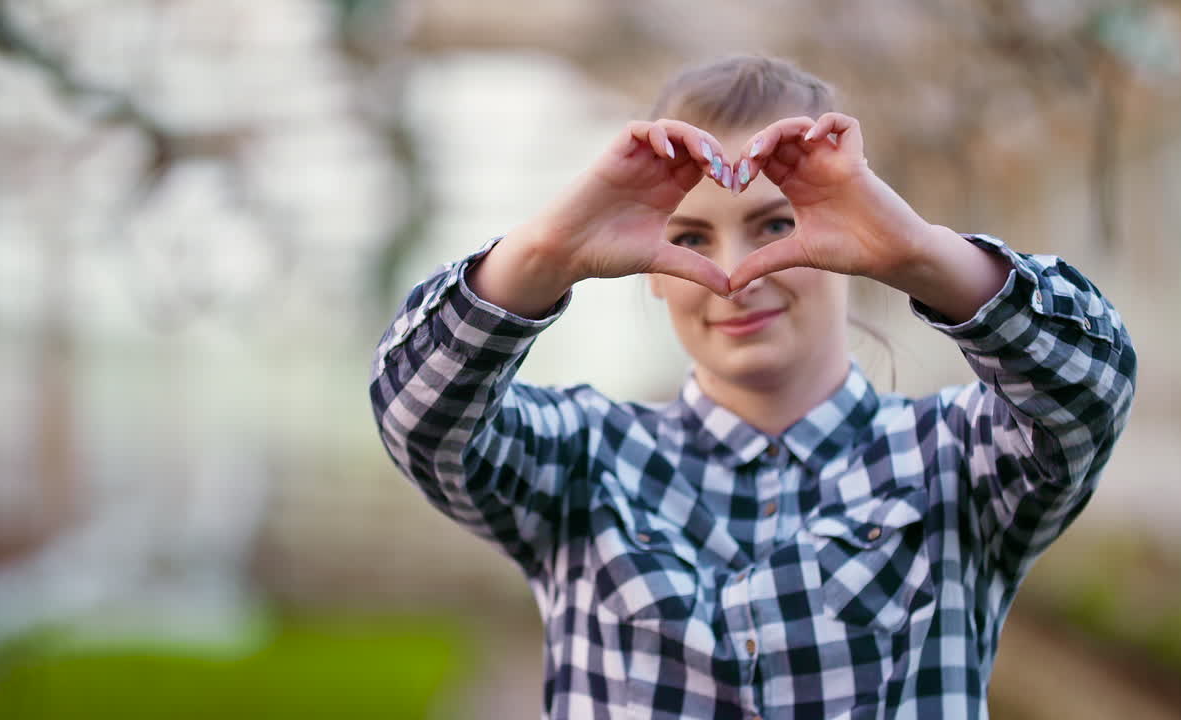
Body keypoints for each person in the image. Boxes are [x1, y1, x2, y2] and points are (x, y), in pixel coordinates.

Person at [370, 55, 1136, 719]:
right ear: (651, 278)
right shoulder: (583, 461)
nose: (735, 276)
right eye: (690, 238)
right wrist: (544, 253)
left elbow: (1089, 388)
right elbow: (419, 418)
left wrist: (918, 253)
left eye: (776, 227)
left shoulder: (957, 460)